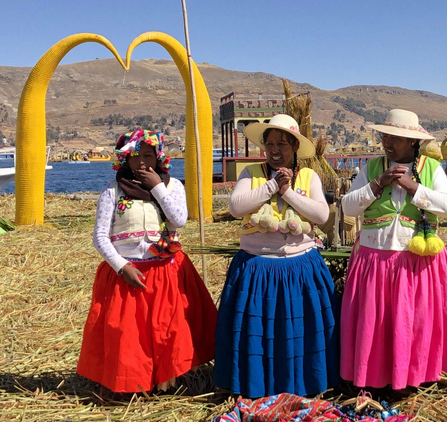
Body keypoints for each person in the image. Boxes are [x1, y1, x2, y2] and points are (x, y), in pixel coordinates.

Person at [78, 129, 217, 394]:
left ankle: (167, 382)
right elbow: (99, 236)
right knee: (129, 334)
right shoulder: (113, 190)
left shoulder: (172, 186)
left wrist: (157, 187)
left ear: (158, 157)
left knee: (166, 330)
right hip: (127, 273)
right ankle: (133, 383)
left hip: (166, 272)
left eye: (148, 156)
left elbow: (178, 220)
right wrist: (121, 267)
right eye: (135, 157)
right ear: (125, 159)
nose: (142, 163)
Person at [340, 109, 447, 390]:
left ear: (413, 142)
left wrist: (413, 188)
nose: (387, 142)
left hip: (417, 259)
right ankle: (376, 378)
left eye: (395, 138)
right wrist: (377, 184)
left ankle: (414, 377)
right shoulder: (373, 168)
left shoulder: (431, 168)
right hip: (375, 259)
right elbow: (348, 206)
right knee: (377, 323)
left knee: (414, 323)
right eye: (385, 136)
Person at [215, 114, 339, 398]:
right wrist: (272, 185)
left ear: (294, 146)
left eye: (282, 143)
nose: (274, 150)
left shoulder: (309, 176)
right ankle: (257, 386)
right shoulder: (251, 174)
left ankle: (306, 384)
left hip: (300, 267)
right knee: (260, 332)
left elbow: (320, 214)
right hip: (258, 267)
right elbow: (236, 207)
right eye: (269, 144)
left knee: (299, 331)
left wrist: (288, 192)